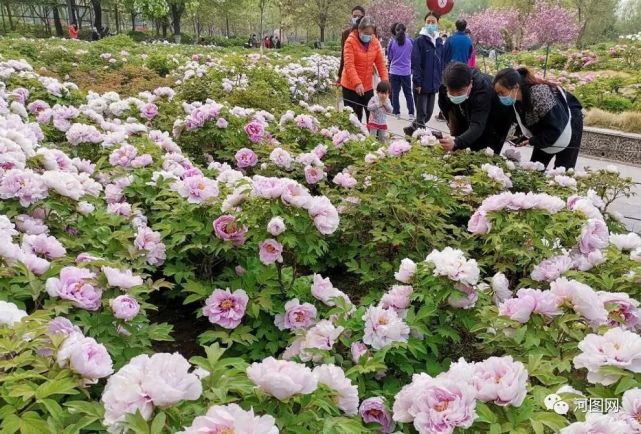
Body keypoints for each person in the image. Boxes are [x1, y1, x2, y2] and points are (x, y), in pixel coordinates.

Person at [493, 67, 584, 169]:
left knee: (563, 169)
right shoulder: (516, 99)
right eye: (498, 94)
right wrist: (520, 137)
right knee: (535, 167)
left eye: (502, 92)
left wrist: (533, 141)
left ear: (515, 87)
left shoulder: (540, 94)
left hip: (569, 122)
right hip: (547, 127)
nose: (500, 97)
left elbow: (555, 127)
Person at [437, 62, 512, 154]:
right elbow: (444, 106)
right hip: (469, 111)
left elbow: (477, 125)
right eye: (452, 92)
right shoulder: (446, 85)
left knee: (484, 150)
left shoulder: (483, 90)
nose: (455, 95)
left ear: (470, 84)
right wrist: (450, 122)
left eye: (460, 92)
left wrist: (456, 142)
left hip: (496, 117)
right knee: (461, 143)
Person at [341, 16, 389, 123]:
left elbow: (380, 63)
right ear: (359, 30)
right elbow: (349, 64)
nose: (368, 36)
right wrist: (357, 83)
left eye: (371, 34)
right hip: (351, 86)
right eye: (366, 33)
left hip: (367, 85)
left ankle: (373, 137)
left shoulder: (375, 42)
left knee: (372, 115)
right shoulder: (350, 42)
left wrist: (385, 82)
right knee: (353, 118)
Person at [403, 12, 443, 136]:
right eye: (428, 22)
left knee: (429, 113)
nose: (430, 24)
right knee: (421, 115)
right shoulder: (419, 41)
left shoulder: (439, 41)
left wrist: (440, 81)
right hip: (421, 85)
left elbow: (441, 63)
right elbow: (416, 63)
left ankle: (411, 129)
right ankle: (421, 142)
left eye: (433, 22)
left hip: (433, 84)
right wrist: (417, 82)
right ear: (425, 23)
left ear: (437, 23)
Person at [387, 23, 414, 120]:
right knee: (408, 93)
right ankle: (411, 113)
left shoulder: (392, 43)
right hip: (406, 72)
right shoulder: (410, 42)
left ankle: (397, 112)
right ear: (405, 30)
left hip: (394, 71)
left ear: (396, 31)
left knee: (395, 93)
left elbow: (390, 57)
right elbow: (412, 54)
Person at [338, 6, 366, 84]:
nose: (356, 18)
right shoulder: (346, 34)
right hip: (349, 74)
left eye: (359, 16)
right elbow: (343, 55)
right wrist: (340, 75)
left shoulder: (370, 33)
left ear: (363, 17)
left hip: (365, 74)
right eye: (354, 16)